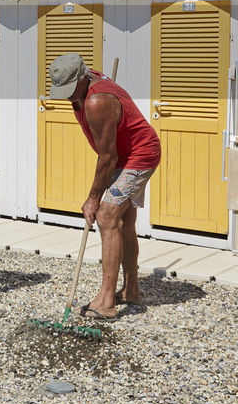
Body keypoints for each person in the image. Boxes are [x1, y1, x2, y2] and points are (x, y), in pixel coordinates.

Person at [48, 52, 161, 321]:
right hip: (123, 155)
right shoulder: (90, 81)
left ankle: (106, 302)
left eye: (69, 89)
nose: (66, 96)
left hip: (138, 156)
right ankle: (131, 291)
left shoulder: (97, 101)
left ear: (82, 79)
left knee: (106, 216)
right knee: (125, 221)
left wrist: (92, 198)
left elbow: (107, 156)